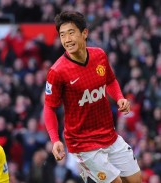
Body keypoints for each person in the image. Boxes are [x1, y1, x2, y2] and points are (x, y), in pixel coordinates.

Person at [43, 11, 141, 183]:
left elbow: (110, 81)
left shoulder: (99, 55)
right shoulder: (57, 72)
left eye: (71, 33)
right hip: (83, 144)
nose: (67, 39)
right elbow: (50, 107)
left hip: (109, 135)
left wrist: (119, 98)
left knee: (135, 180)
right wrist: (55, 139)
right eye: (62, 35)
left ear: (84, 33)